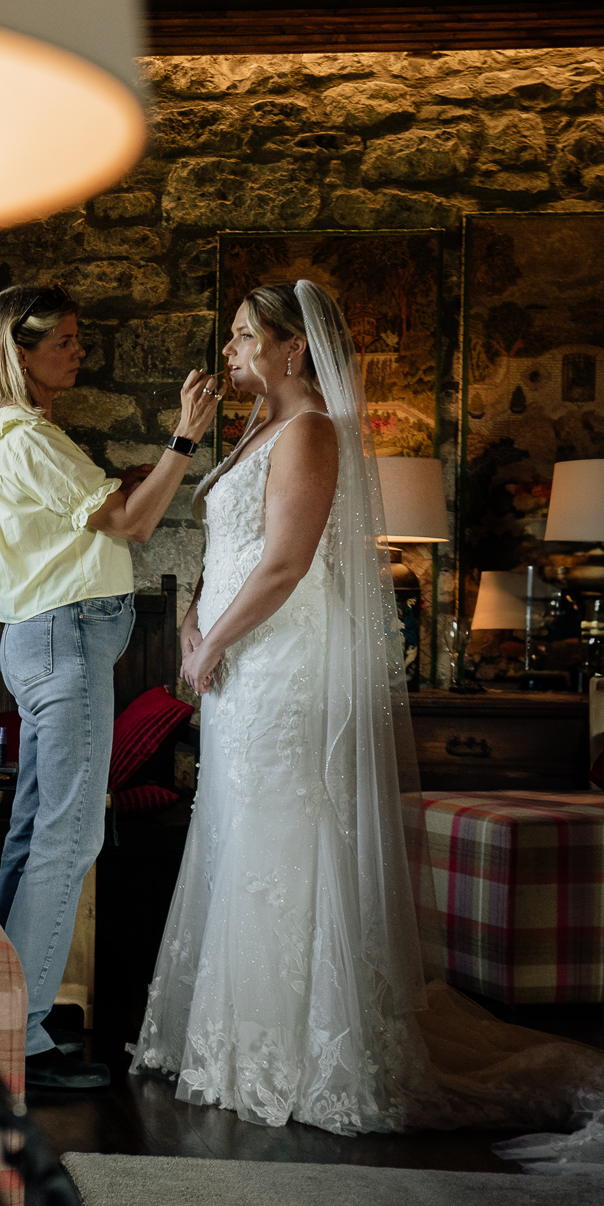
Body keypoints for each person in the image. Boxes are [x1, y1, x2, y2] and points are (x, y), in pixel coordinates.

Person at [133, 279, 604, 1137]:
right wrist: (193, 614)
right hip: (239, 657)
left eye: (244, 337)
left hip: (280, 660)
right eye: (233, 336)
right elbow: (227, 546)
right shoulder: (257, 429)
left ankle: (302, 1050)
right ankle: (237, 1043)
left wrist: (214, 643)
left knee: (283, 836)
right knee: (240, 830)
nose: (230, 350)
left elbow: (284, 563)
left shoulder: (312, 431)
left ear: (293, 348)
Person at [0, 282, 220, 1091]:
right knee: (68, 839)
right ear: (21, 350)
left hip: (51, 642)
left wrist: (132, 479)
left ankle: (2, 1023)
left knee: (34, 833)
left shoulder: (27, 436)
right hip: (64, 643)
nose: (81, 350)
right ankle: (28, 1042)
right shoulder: (24, 439)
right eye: (66, 339)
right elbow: (135, 527)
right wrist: (186, 437)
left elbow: (106, 517)